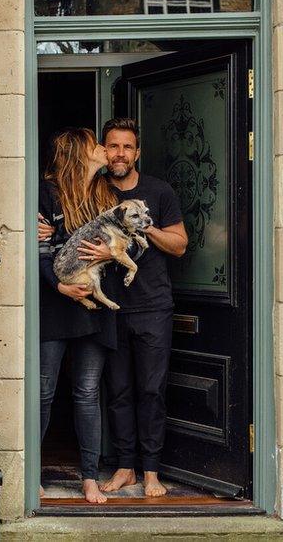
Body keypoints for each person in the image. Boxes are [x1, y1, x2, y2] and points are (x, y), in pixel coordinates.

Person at [97, 118, 188, 498]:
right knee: (117, 391)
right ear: (104, 151)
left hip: (152, 306)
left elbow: (180, 244)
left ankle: (151, 472)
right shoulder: (96, 192)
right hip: (111, 308)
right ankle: (125, 468)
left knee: (151, 391)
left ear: (137, 152)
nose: (119, 153)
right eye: (112, 146)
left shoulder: (159, 192)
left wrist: (143, 225)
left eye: (126, 147)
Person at [37, 127, 119, 504]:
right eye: (96, 145)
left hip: (95, 309)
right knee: (42, 393)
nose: (104, 150)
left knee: (87, 393)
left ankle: (89, 477)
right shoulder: (46, 193)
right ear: (78, 153)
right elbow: (37, 252)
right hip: (55, 308)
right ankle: (31, 472)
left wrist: (110, 255)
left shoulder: (105, 195)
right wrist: (59, 286)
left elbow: (127, 244)